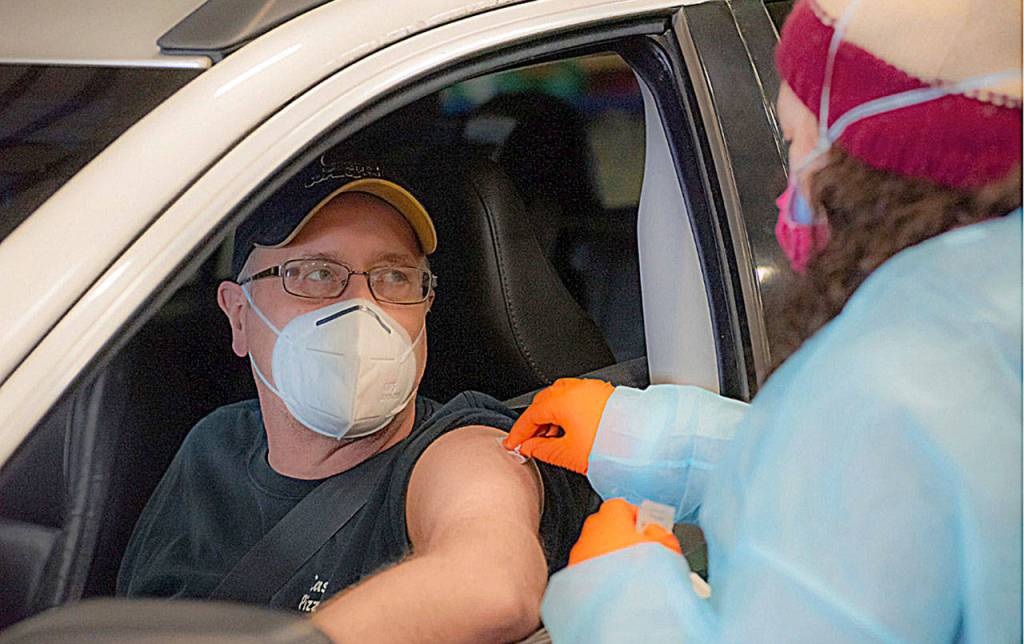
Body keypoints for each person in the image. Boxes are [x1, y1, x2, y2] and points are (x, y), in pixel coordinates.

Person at [503, 0, 1022, 640]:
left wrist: (625, 597)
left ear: (867, 162)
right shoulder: (985, 317)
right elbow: (890, 505)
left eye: (794, 141)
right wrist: (656, 440)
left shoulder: (891, 380)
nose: (786, 185)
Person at [117, 155, 587, 642]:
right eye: (316, 274)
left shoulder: (463, 449)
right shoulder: (212, 447)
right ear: (239, 315)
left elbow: (493, 584)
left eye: (394, 277)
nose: (361, 309)